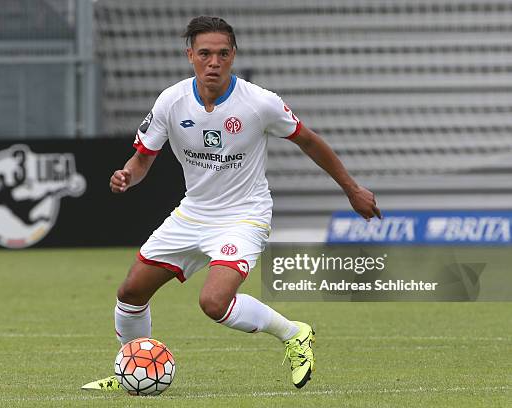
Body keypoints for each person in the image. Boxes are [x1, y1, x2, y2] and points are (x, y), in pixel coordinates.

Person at [82, 16, 381, 391]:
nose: (214, 62)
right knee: (130, 293)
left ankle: (294, 334)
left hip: (244, 216)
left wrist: (351, 189)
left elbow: (309, 140)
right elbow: (143, 159)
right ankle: (132, 365)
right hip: (193, 214)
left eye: (223, 54)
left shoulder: (259, 102)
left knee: (214, 301)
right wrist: (127, 175)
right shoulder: (171, 101)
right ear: (190, 55)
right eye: (205, 54)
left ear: (233, 55)